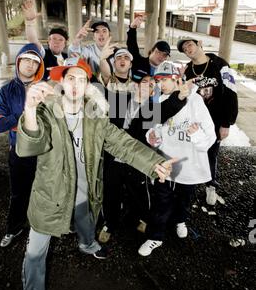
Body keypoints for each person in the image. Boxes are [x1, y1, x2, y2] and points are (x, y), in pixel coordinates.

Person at [10, 57, 177, 290]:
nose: (75, 84)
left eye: (82, 79)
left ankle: (89, 245)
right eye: (70, 78)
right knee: (35, 254)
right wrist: (29, 109)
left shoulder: (95, 117)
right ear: (62, 82)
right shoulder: (45, 112)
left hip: (85, 190)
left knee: (86, 221)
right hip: (48, 196)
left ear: (88, 86)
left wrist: (153, 162)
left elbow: (122, 143)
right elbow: (27, 147)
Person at [99, 68, 190, 244]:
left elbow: (167, 109)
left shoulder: (152, 109)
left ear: (152, 90)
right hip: (113, 157)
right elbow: (100, 93)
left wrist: (179, 97)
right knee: (111, 192)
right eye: (143, 83)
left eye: (150, 84)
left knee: (139, 192)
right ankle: (109, 224)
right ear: (135, 85)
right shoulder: (119, 100)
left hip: (138, 160)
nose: (146, 86)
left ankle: (142, 218)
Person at [138, 61, 216, 257]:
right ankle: (155, 236)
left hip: (189, 162)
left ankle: (180, 219)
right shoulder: (158, 102)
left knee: (184, 197)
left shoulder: (195, 101)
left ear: (176, 79)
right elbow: (152, 130)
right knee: (161, 199)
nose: (162, 84)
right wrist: (152, 138)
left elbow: (211, 135)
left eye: (166, 79)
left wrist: (196, 135)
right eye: (158, 80)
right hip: (165, 161)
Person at [0, 44, 44, 247]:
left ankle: (40, 230)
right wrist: (26, 114)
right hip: (19, 152)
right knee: (18, 194)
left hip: (43, 152)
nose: (31, 65)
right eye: (27, 60)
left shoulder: (45, 88)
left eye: (35, 62)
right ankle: (13, 228)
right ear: (19, 62)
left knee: (43, 192)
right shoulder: (6, 91)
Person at [177, 37, 238, 206]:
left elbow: (231, 93)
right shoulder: (188, 70)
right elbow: (183, 95)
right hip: (196, 123)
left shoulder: (220, 64)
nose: (188, 49)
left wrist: (226, 123)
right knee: (194, 151)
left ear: (199, 44)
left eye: (190, 44)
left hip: (216, 120)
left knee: (211, 154)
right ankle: (190, 182)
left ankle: (211, 185)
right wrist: (180, 79)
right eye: (184, 48)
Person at [22, 0, 68, 80]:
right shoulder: (44, 54)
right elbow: (33, 40)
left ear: (65, 44)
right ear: (48, 42)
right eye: (53, 39)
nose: (56, 42)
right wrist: (29, 22)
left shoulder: (68, 58)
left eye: (60, 40)